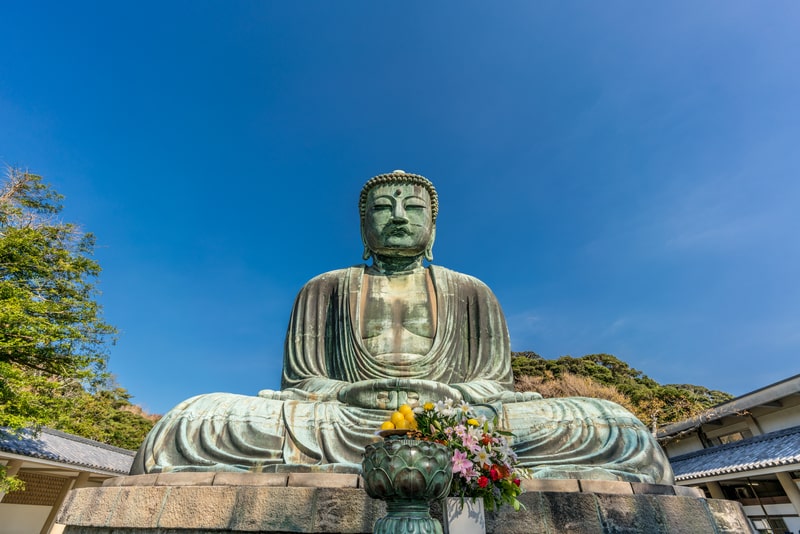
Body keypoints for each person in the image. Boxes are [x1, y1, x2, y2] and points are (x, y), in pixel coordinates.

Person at [131, 171, 673, 484]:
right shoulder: (324, 288)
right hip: (343, 420)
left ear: (432, 226)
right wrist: (346, 392)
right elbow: (302, 382)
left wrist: (452, 397)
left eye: (413, 208)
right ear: (363, 225)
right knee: (192, 421)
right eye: (382, 209)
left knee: (613, 425)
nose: (397, 216)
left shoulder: (472, 292)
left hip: (457, 418)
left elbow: (494, 383)